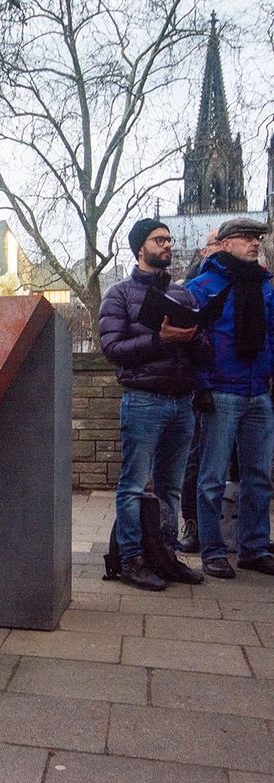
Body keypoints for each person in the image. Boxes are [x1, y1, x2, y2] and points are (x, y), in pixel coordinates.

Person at [99, 218, 212, 590]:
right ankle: (131, 559)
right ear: (139, 249)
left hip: (182, 403)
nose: (167, 244)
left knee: (171, 488)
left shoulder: (184, 295)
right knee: (132, 486)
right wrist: (160, 341)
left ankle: (166, 555)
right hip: (144, 401)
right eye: (158, 239)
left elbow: (206, 353)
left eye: (168, 239)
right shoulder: (119, 294)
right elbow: (112, 350)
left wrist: (193, 337)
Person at [186, 217, 274, 579]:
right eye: (246, 238)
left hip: (259, 392)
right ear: (224, 244)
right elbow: (193, 340)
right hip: (222, 390)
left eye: (257, 238)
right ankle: (213, 550)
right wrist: (202, 384)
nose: (254, 243)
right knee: (213, 475)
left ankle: (253, 547)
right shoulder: (201, 286)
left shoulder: (266, 286)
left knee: (259, 476)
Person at [178, 227, 221, 553]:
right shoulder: (195, 286)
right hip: (203, 385)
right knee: (196, 460)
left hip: (246, 385)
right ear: (205, 250)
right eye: (216, 242)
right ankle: (193, 525)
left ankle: (233, 530)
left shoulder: (254, 282)